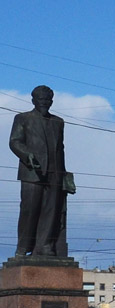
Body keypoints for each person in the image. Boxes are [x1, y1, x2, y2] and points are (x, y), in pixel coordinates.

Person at [9, 85, 71, 257]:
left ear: (51, 101)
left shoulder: (58, 122)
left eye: (48, 100)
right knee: (30, 210)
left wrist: (65, 175)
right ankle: (23, 247)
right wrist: (26, 154)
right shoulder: (23, 118)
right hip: (32, 172)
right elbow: (15, 141)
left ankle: (44, 245)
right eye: (41, 100)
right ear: (33, 101)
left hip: (55, 173)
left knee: (51, 211)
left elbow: (61, 149)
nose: (44, 103)